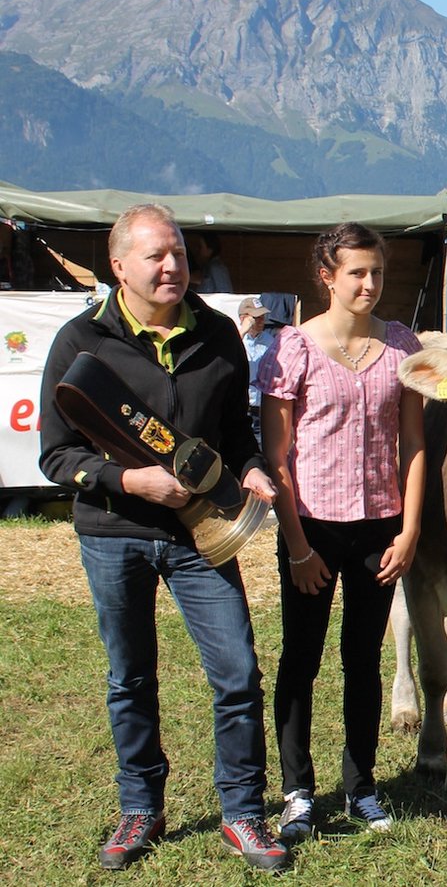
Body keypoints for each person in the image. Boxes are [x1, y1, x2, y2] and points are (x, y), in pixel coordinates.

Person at [38, 204, 289, 872]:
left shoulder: (217, 334)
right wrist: (129, 480)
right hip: (113, 532)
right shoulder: (78, 342)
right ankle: (140, 808)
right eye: (155, 255)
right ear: (119, 266)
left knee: (237, 672)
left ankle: (242, 813)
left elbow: (237, 435)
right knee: (131, 677)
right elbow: (56, 459)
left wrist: (254, 468)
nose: (172, 265)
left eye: (177, 252)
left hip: (200, 535)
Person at [258, 223, 426, 841]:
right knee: (300, 659)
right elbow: (277, 455)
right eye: (356, 272)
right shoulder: (291, 350)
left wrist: (409, 531)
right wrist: (297, 545)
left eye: (377, 272)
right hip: (314, 529)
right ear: (326, 276)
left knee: (363, 658)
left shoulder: (402, 348)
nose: (369, 284)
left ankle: (362, 785)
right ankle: (298, 790)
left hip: (380, 528)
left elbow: (414, 444)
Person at [238, 297, 274, 444]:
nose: (261, 321)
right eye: (256, 318)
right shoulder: (235, 337)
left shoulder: (271, 341)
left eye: (262, 317)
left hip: (261, 406)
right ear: (244, 318)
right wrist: (243, 331)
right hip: (241, 405)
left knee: (260, 445)